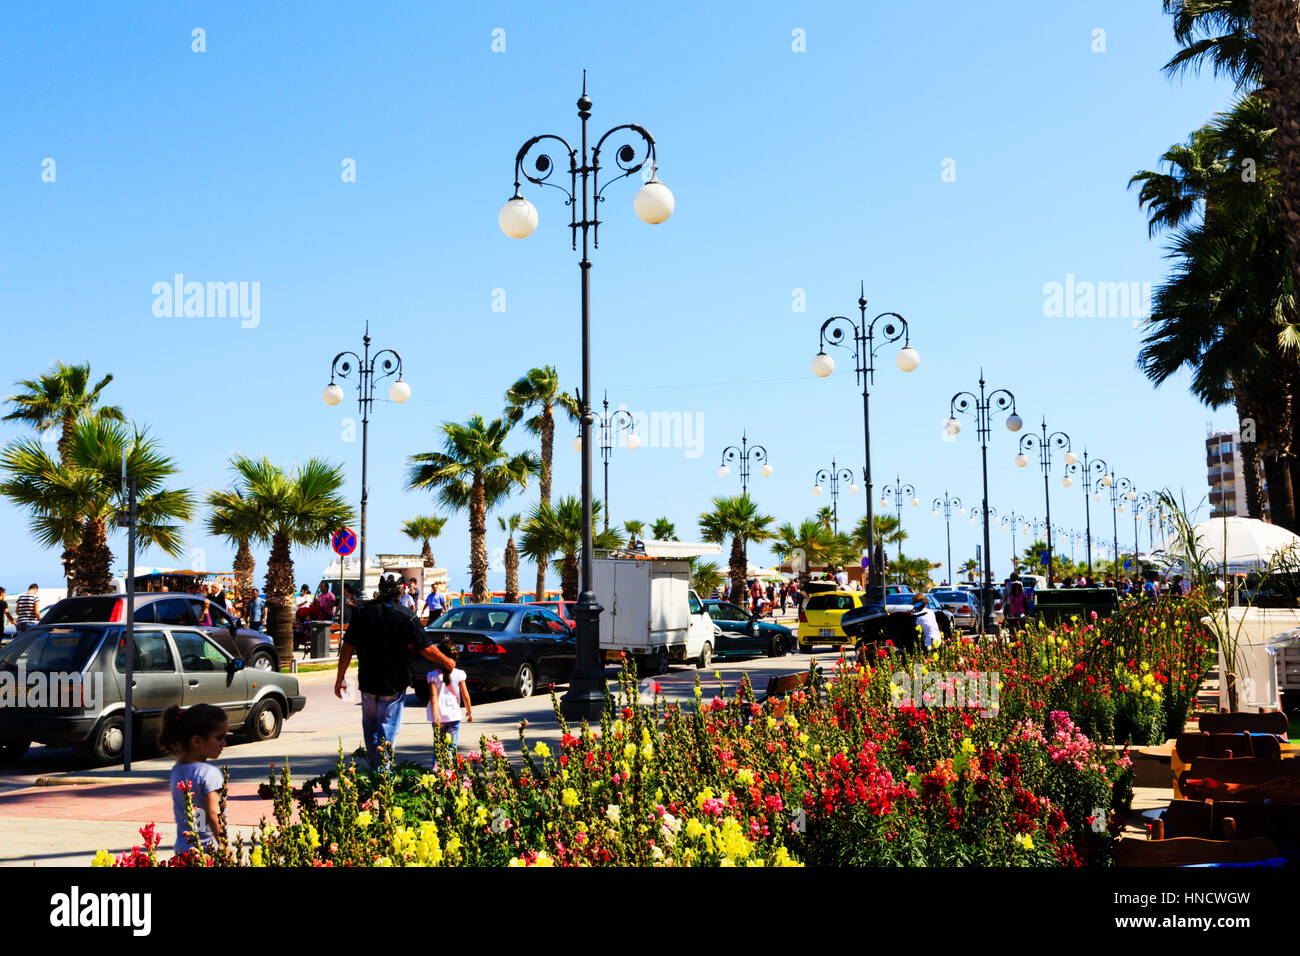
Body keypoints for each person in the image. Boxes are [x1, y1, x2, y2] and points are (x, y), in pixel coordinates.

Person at [334, 571, 454, 769]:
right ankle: (384, 778)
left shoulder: (362, 613)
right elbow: (426, 649)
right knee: (387, 732)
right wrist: (447, 662)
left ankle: (376, 773)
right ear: (401, 591)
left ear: (379, 589)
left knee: (371, 731)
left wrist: (340, 678)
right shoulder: (406, 616)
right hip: (394, 685)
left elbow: (347, 647)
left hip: (368, 683)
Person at [158, 703, 227, 858]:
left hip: (183, 850)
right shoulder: (209, 773)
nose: (224, 744)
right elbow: (213, 813)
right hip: (206, 852)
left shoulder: (177, 770)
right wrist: (226, 847)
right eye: (219, 738)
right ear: (196, 741)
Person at [427, 639, 471, 764]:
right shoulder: (459, 674)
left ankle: (437, 773)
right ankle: (451, 774)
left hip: (438, 718)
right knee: (451, 746)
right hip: (453, 716)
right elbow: (465, 695)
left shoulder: (432, 676)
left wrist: (436, 716)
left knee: (438, 747)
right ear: (455, 657)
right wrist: (469, 711)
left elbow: (433, 697)